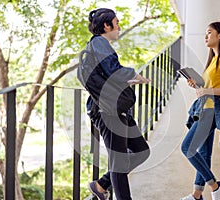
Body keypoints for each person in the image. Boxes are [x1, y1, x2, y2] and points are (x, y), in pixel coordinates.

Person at [79, 8, 151, 200]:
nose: (119, 27)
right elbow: (112, 68)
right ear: (106, 25)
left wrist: (128, 81)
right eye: (117, 23)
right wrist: (135, 75)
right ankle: (107, 189)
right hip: (107, 112)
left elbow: (107, 74)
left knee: (141, 151)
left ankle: (101, 184)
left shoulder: (99, 45)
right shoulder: (99, 42)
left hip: (115, 109)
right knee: (119, 162)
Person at [180, 21, 220, 200]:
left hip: (212, 111)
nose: (206, 36)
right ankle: (197, 194)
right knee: (204, 153)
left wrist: (206, 90)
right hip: (206, 108)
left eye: (209, 32)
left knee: (187, 148)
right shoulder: (213, 60)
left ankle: (215, 185)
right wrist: (198, 85)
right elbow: (212, 87)